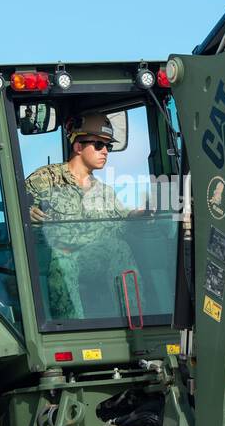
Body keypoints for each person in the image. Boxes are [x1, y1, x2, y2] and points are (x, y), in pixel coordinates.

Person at [23, 113, 139, 319]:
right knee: (63, 259)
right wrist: (27, 212)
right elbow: (16, 208)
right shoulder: (45, 179)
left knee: (120, 248)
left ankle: (136, 322)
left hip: (89, 259)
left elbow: (121, 224)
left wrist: (140, 216)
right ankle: (70, 326)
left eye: (108, 147)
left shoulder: (105, 193)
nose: (105, 152)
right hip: (50, 258)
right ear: (78, 147)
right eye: (98, 145)